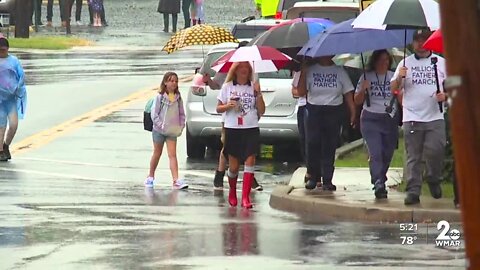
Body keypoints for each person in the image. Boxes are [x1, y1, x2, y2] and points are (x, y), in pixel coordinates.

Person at [391, 30, 447, 205]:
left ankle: (433, 178)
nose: (420, 44)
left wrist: (445, 95)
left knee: (436, 151)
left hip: (435, 116)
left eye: (424, 40)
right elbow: (393, 88)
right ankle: (413, 190)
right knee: (413, 156)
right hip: (412, 116)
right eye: (417, 40)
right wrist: (400, 77)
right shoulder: (405, 63)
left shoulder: (441, 62)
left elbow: (454, 84)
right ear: (412, 43)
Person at [203, 42, 264, 191]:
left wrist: (258, 94)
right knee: (228, 149)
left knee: (249, 153)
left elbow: (259, 103)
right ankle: (220, 174)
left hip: (248, 121)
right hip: (229, 119)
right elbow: (215, 85)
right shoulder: (229, 69)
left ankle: (250, 179)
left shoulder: (252, 71)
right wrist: (208, 81)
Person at [297, 56, 356, 191]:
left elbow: (348, 93)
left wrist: (353, 112)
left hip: (333, 110)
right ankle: (313, 176)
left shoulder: (339, 71)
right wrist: (304, 72)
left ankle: (327, 179)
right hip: (314, 110)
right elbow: (301, 92)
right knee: (312, 143)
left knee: (329, 145)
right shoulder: (310, 70)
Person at [216, 62, 266, 208]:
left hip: (251, 128)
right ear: (236, 70)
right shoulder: (228, 87)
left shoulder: (253, 87)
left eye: (247, 68)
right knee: (233, 167)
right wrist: (228, 105)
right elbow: (218, 108)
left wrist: (258, 94)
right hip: (233, 129)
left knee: (250, 160)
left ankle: (245, 197)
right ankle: (232, 191)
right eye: (241, 67)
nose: (244, 70)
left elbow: (262, 110)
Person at [354, 50, 399, 199]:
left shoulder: (395, 76)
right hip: (370, 118)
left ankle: (381, 176)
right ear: (374, 61)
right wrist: (363, 89)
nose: (383, 63)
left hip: (389, 118)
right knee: (376, 152)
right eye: (380, 60)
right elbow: (357, 101)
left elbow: (402, 96)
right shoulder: (366, 77)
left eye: (386, 60)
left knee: (387, 153)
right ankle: (378, 182)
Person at [145, 72, 188, 190]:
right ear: (165, 82)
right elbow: (154, 114)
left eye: (175, 81)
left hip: (171, 131)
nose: (173, 83)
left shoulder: (178, 98)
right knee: (157, 153)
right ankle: (150, 176)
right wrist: (161, 125)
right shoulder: (160, 97)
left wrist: (181, 126)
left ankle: (176, 180)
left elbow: (182, 114)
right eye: (171, 81)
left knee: (172, 155)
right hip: (159, 130)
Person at [0, 36, 27, 161]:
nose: (2, 52)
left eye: (4, 50)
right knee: (1, 126)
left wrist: (18, 89)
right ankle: (0, 151)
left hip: (11, 99)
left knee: (14, 125)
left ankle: (6, 145)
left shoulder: (14, 61)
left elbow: (21, 76)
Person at [291, 69, 311, 184]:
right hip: (303, 106)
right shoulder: (300, 72)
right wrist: (301, 91)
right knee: (305, 140)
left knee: (314, 140)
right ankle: (309, 168)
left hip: (316, 106)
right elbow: (294, 91)